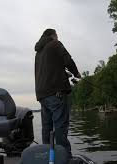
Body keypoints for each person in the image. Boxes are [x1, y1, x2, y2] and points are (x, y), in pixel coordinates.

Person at [34, 28, 81, 158]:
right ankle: (64, 157)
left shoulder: (39, 52)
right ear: (52, 35)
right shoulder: (55, 44)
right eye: (57, 35)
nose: (58, 38)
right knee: (60, 127)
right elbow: (68, 60)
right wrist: (76, 73)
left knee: (47, 128)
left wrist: (63, 72)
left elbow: (48, 70)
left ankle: (48, 156)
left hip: (42, 95)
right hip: (56, 93)